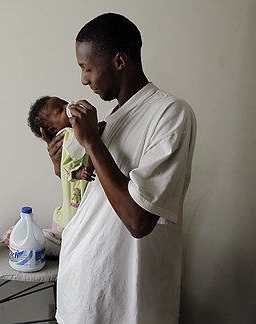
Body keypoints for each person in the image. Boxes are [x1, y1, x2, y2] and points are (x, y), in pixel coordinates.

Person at [41, 13, 197, 323]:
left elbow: (139, 220)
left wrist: (92, 144)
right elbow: (96, 200)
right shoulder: (108, 121)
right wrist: (64, 169)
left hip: (127, 305)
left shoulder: (170, 113)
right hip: (82, 295)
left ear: (120, 62)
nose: (83, 80)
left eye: (87, 68)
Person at [28, 96, 106, 236]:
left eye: (65, 103)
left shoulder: (72, 134)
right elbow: (83, 144)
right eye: (61, 109)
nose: (69, 106)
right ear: (52, 130)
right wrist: (94, 128)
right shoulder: (69, 134)